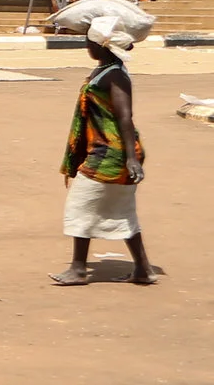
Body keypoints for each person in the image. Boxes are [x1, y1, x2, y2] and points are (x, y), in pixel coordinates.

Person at [55, 17, 155, 287]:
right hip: (109, 149)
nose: (86, 43)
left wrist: (131, 158)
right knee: (123, 210)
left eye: (89, 39)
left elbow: (125, 117)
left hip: (111, 152)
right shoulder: (106, 69)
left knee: (80, 205)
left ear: (102, 46)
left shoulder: (115, 75)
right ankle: (143, 269)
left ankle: (77, 269)